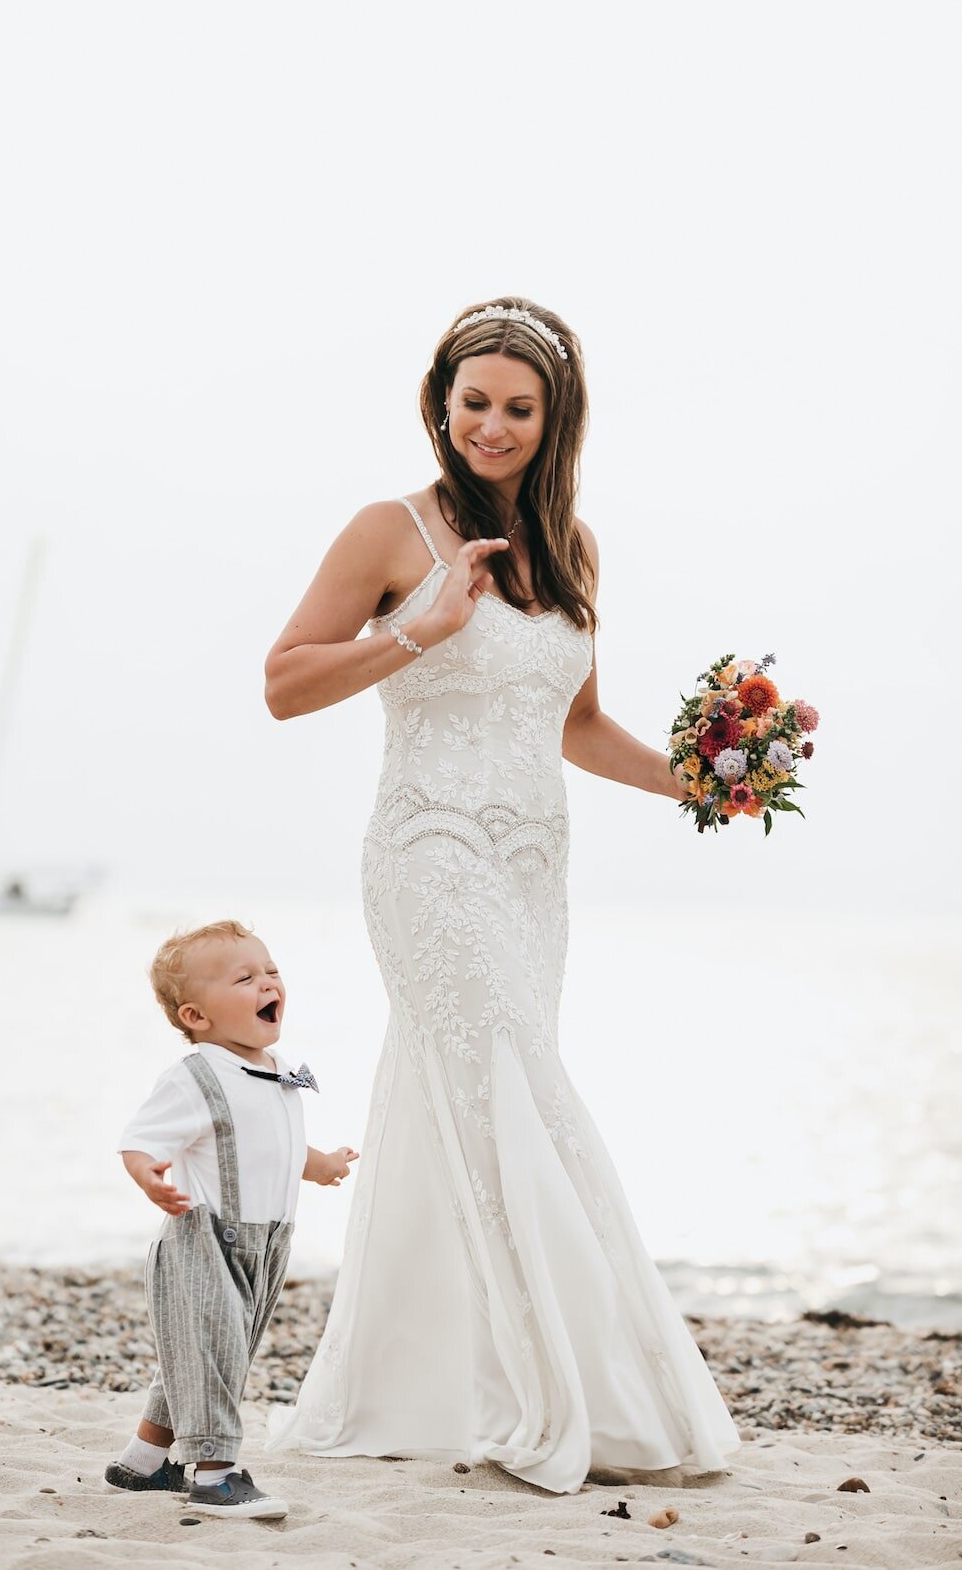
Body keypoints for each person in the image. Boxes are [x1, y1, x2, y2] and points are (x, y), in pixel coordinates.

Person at [262, 298, 741, 1494]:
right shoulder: (390, 529)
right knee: (514, 1085)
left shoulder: (573, 548)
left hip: (535, 868)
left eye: (516, 408)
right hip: (427, 854)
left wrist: (699, 780)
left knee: (478, 1100)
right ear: (441, 404)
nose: (490, 425)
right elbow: (283, 682)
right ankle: (563, 1395)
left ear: (553, 418)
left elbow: (573, 725)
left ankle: (443, 1381)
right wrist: (421, 630)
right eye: (471, 402)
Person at [104, 918, 358, 1519]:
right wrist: (148, 1175)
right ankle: (215, 1474)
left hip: (267, 1243)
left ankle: (144, 1460)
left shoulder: (273, 1070)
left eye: (270, 970)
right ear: (197, 1016)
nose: (268, 981)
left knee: (211, 1353)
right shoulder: (196, 1076)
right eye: (245, 977)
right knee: (212, 1352)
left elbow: (273, 1145)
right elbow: (139, 1138)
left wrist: (321, 1164)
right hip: (204, 1239)